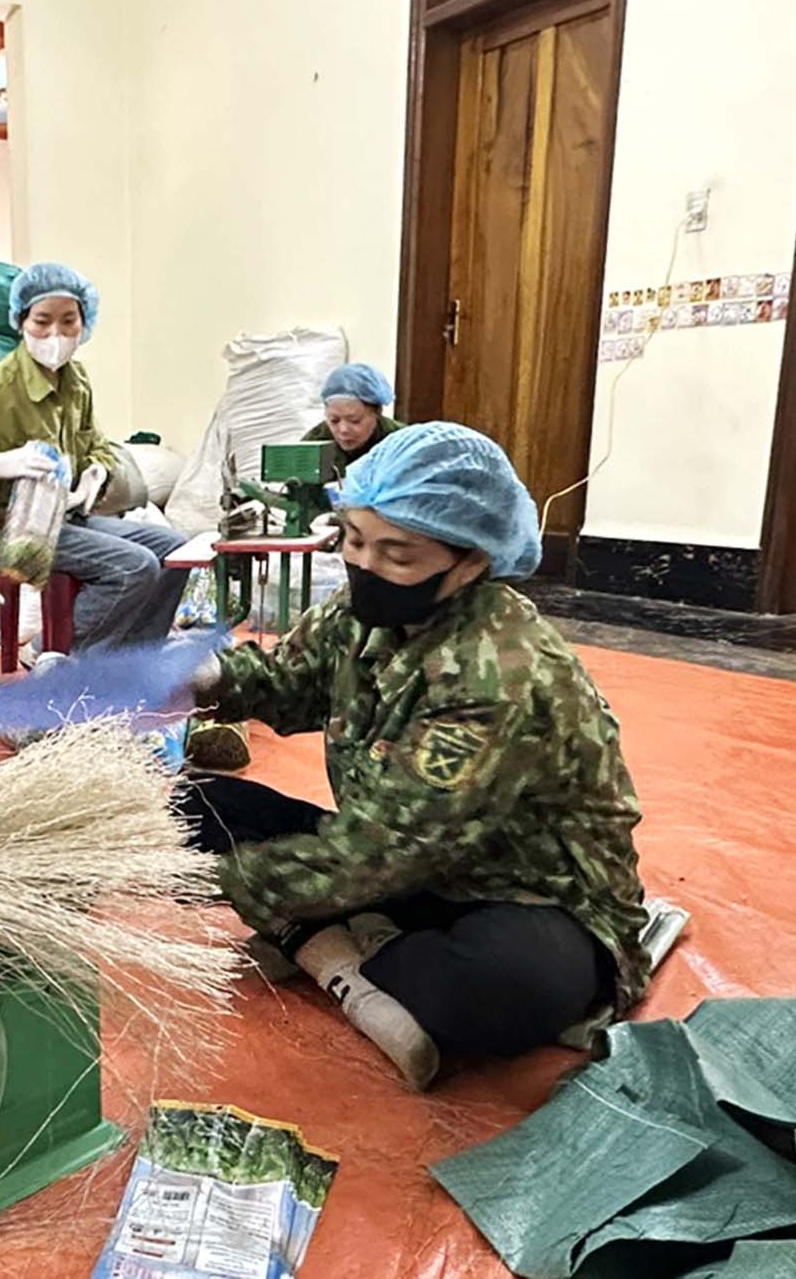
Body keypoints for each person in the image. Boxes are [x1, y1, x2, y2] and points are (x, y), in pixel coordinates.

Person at [180, 422, 650, 1091]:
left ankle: (327, 945)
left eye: (397, 555)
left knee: (498, 990)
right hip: (401, 861)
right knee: (191, 805)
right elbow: (293, 683)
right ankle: (352, 945)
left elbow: (387, 850)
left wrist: (229, 881)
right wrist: (210, 679)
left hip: (524, 894)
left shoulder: (500, 674)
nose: (365, 565)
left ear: (472, 562)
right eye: (354, 539)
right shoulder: (362, 612)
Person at [0, 262, 189, 651]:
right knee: (134, 566)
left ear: (85, 322)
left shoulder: (75, 383)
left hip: (62, 518)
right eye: (42, 322)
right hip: (2, 531)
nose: (55, 334)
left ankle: (133, 657)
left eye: (68, 321)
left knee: (176, 548)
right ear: (21, 321)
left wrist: (97, 471)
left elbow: (96, 442)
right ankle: (55, 656)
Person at [304, 361, 403, 476]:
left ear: (377, 413)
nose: (343, 430)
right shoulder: (313, 444)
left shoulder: (400, 441)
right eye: (334, 421)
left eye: (354, 421)